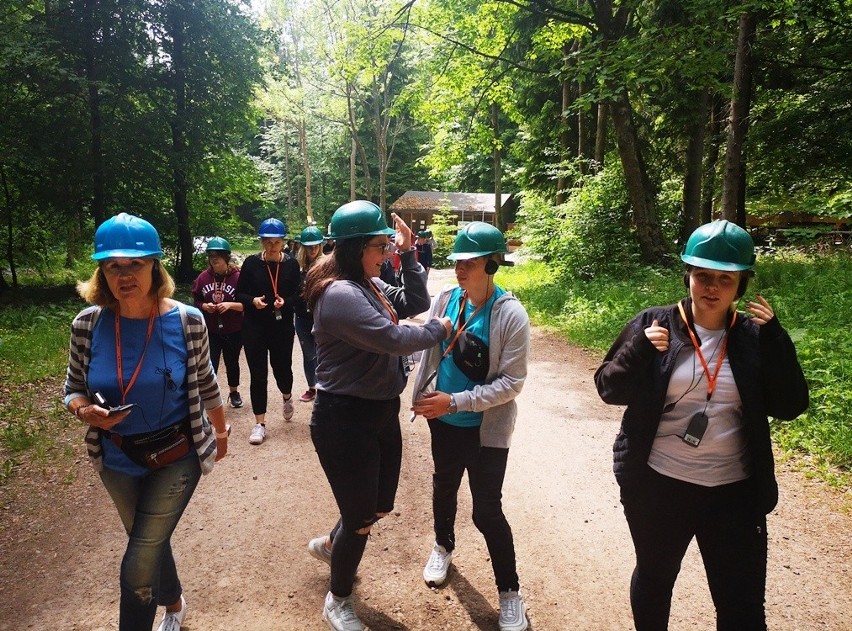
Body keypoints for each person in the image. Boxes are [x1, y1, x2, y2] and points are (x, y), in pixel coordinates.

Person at [594, 219, 809, 631]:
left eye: (725, 280)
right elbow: (608, 389)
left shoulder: (753, 336)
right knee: (655, 579)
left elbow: (790, 406)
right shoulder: (653, 324)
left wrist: (777, 343)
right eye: (703, 275)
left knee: (742, 605)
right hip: (659, 486)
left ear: (740, 285)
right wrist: (637, 351)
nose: (712, 287)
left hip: (734, 494)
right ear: (688, 275)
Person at [63, 213, 229, 631]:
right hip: (117, 459)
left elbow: (206, 379)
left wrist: (221, 430)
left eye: (135, 264)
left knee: (139, 558)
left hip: (176, 454)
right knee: (148, 540)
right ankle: (174, 603)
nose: (124, 274)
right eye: (112, 265)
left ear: (155, 266)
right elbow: (73, 388)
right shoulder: (87, 324)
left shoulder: (188, 320)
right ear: (101, 271)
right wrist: (85, 411)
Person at [303, 200, 452, 631]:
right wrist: (439, 330)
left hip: (380, 412)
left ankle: (333, 544)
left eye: (387, 245)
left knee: (379, 506)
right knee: (362, 519)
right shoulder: (340, 294)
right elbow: (393, 337)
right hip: (344, 418)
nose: (384, 252)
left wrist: (408, 255)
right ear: (352, 248)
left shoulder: (366, 284)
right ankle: (338, 601)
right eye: (379, 245)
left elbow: (413, 301)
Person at [411, 221, 531, 631]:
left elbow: (511, 383)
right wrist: (421, 394)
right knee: (443, 486)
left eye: (471, 261)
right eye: (458, 260)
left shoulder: (510, 314)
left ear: (493, 265)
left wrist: (455, 401)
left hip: (485, 431)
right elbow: (429, 351)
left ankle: (510, 593)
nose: (461, 268)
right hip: (442, 422)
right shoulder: (445, 298)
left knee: (487, 510)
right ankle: (443, 545)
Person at [235, 218, 301, 445]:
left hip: (281, 326)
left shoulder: (291, 265)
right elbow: (239, 294)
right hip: (255, 325)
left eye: (276, 242)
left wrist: (286, 302)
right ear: (262, 242)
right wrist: (252, 300)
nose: (272, 247)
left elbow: (298, 295)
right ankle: (259, 423)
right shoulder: (251, 264)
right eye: (267, 242)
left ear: (283, 242)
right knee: (258, 373)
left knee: (282, 369)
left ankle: (287, 395)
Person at [192, 237, 244, 408]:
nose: (214, 259)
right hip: (211, 329)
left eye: (218, 256)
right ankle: (210, 395)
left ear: (226, 257)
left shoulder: (238, 277)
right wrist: (204, 306)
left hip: (233, 328)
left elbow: (246, 304)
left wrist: (230, 305)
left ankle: (234, 392)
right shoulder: (203, 277)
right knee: (210, 362)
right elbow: (197, 300)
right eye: (211, 255)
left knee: (232, 362)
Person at [293, 226, 326, 402]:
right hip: (302, 318)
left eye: (316, 245)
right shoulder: (296, 267)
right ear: (303, 247)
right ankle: (312, 387)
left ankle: (325, 388)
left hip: (322, 318)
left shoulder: (327, 265)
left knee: (324, 353)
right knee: (308, 354)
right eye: (309, 246)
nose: (313, 249)